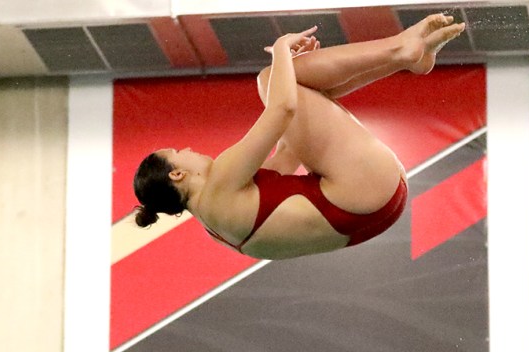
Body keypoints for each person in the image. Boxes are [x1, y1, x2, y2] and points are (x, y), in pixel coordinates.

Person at [132, 14, 467, 260]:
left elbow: (288, 151)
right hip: (362, 189)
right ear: (177, 174)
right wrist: (280, 53)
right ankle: (400, 49)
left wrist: (296, 69)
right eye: (179, 151)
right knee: (267, 80)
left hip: (375, 207)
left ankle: (406, 58)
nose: (189, 149)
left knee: (292, 82)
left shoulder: (217, 225)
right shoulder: (219, 181)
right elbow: (282, 110)